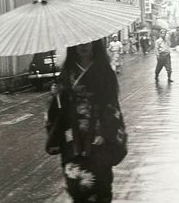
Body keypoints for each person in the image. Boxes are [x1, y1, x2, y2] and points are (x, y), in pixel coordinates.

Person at [45, 40, 127, 203]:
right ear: (72, 47)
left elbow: (111, 105)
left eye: (87, 43)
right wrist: (56, 95)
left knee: (100, 185)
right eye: (78, 43)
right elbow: (59, 110)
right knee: (77, 187)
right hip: (72, 139)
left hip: (98, 138)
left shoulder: (104, 72)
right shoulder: (66, 74)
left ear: (95, 45)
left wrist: (105, 132)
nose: (83, 46)